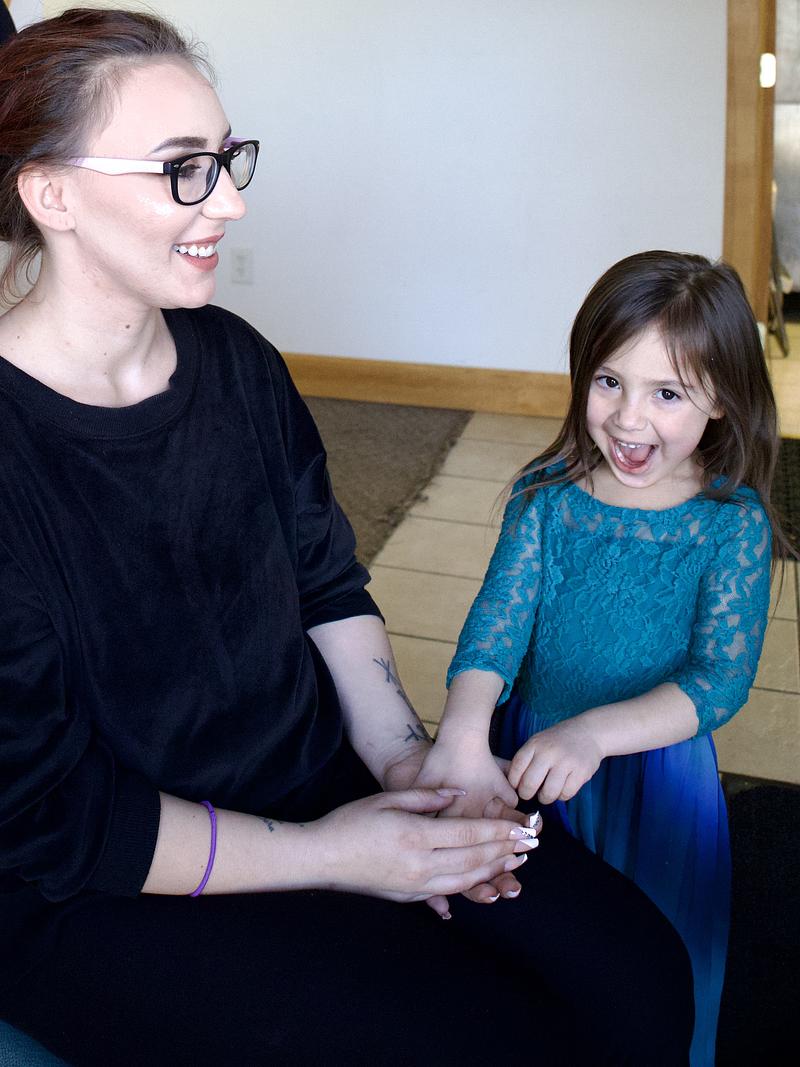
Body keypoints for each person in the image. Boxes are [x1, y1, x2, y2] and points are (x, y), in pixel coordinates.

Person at [0, 10, 694, 1065]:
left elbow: (325, 583)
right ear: (51, 193)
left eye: (227, 158)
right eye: (183, 170)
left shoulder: (235, 360)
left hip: (312, 773)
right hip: (99, 877)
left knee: (638, 973)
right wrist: (336, 855)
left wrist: (406, 763)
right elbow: (53, 811)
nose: (229, 201)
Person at [416, 249, 790, 1067]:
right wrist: (464, 734)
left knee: (653, 967)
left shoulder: (730, 525)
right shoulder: (546, 496)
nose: (627, 418)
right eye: (609, 381)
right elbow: (495, 629)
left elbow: (719, 681)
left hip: (654, 780)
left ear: (722, 399)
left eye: (667, 393)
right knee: (528, 946)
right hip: (527, 758)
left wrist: (593, 734)